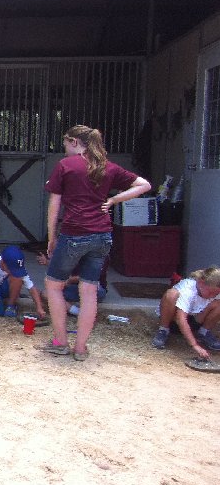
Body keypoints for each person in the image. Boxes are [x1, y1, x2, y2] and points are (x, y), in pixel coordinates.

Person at [41, 125, 151, 361]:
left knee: (53, 285)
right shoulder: (106, 167)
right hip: (102, 234)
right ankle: (80, 348)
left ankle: (61, 341)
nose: (64, 148)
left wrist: (51, 237)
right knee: (89, 290)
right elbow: (144, 185)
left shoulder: (66, 166)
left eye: (65, 143)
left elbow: (54, 206)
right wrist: (113, 200)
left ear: (73, 142)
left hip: (74, 232)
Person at [151, 267, 220, 359]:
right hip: (174, 321)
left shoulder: (214, 290)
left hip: (195, 320)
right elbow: (181, 319)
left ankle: (204, 332)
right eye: (211, 292)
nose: (212, 296)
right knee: (171, 295)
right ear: (200, 283)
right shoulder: (188, 289)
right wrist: (195, 345)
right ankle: (163, 329)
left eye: (215, 294)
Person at [0, 245, 46, 319]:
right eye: (11, 268)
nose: (13, 271)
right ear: (3, 262)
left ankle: (11, 306)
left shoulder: (18, 268)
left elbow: (31, 288)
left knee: (17, 277)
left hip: (5, 289)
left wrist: (39, 307)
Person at [36, 252, 107, 316]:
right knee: (46, 294)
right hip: (74, 288)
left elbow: (92, 276)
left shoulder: (101, 255)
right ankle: (77, 312)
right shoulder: (73, 251)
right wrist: (47, 262)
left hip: (94, 289)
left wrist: (69, 280)